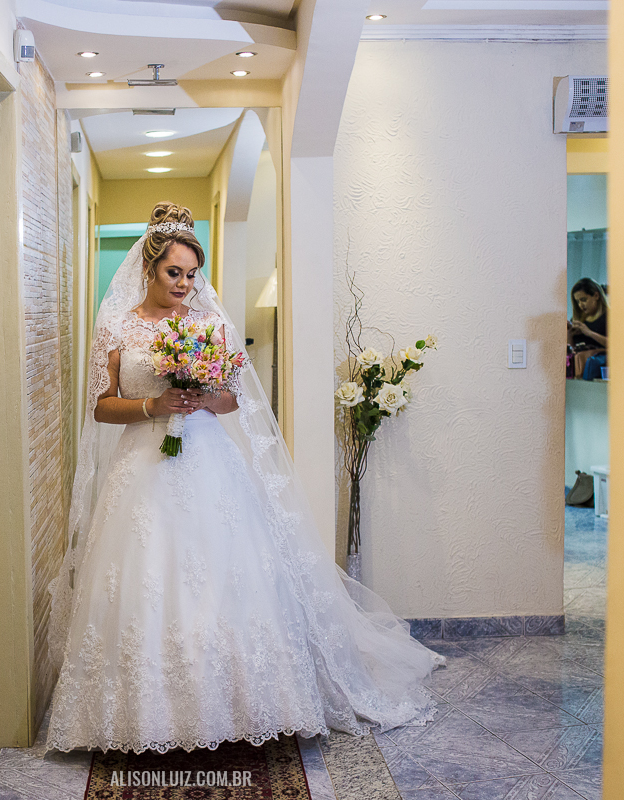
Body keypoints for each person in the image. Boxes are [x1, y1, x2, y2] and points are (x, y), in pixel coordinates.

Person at [45, 202, 444, 756]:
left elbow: (232, 399)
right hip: (140, 464)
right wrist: (154, 405)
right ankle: (147, 713)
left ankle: (238, 705)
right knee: (147, 578)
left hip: (208, 458)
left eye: (191, 274)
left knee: (222, 578)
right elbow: (101, 406)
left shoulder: (210, 324)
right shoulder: (116, 324)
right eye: (174, 272)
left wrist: (199, 395)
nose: (184, 284)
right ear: (148, 268)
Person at [568, 278, 609, 379]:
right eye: (577, 301)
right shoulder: (577, 319)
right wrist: (568, 333)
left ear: (596, 296)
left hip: (600, 372)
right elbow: (573, 350)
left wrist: (589, 332)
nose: (580, 305)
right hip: (578, 372)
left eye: (584, 300)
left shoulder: (609, 317)